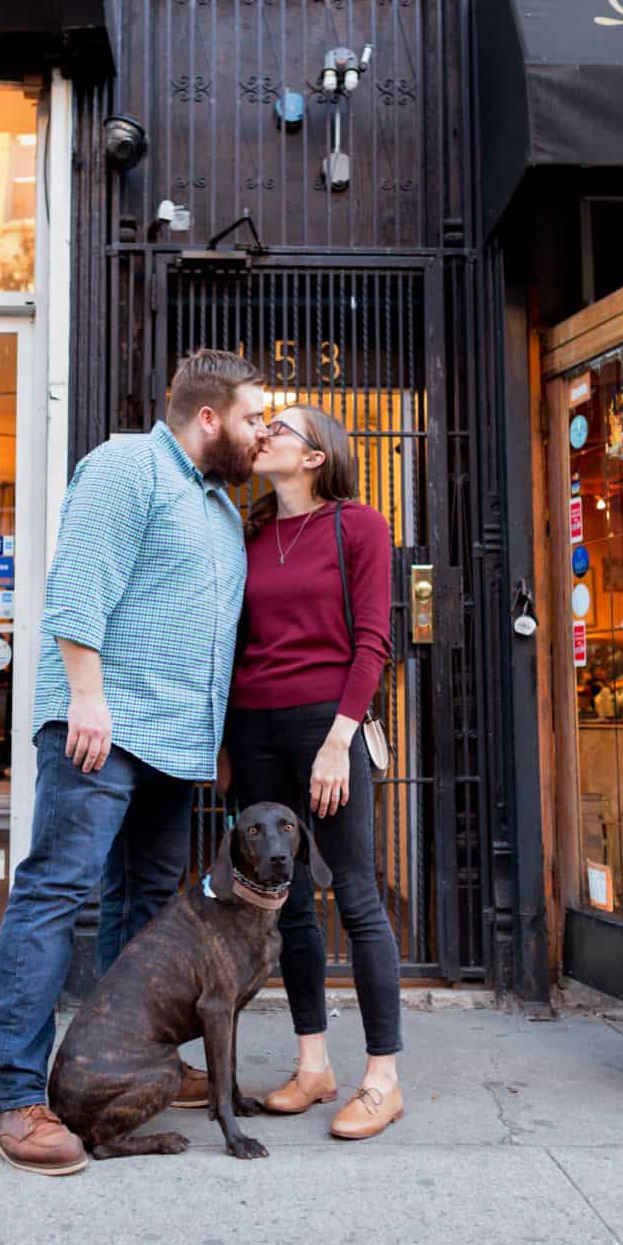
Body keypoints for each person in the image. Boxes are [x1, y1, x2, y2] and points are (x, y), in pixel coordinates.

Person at [0, 349, 267, 1175]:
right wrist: (86, 697)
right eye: (251, 419)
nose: (259, 434)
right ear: (207, 417)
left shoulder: (216, 507)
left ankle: (119, 1068)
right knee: (56, 893)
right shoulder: (125, 466)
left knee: (145, 904)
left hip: (174, 742)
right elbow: (78, 588)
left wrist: (207, 738)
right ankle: (10, 1097)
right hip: (101, 727)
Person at [219, 403, 404, 1140]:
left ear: (317, 455)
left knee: (355, 894)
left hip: (326, 722)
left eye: (280, 429)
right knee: (283, 900)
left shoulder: (359, 525)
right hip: (255, 725)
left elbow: (374, 640)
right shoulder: (251, 531)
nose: (263, 436)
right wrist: (228, 743)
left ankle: (383, 1079)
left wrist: (339, 740)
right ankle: (313, 1065)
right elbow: (237, 642)